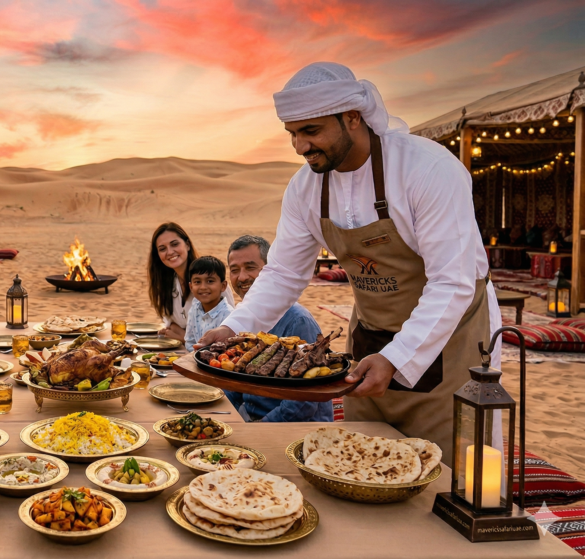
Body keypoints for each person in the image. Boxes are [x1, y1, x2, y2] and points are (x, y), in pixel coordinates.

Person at [197, 62, 501, 466]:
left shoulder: (427, 169)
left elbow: (453, 282)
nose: (300, 146)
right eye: (292, 134)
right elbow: (285, 273)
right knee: (365, 463)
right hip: (370, 341)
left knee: (447, 474)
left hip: (450, 344)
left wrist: (398, 357)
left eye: (311, 131)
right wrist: (232, 328)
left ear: (353, 118)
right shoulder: (306, 187)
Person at [222, 235, 333, 422]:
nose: (241, 277)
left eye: (250, 268)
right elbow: (236, 384)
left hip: (296, 430)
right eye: (235, 270)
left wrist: (259, 429)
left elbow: (304, 401)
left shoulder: (298, 322)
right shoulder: (240, 322)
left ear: (270, 272)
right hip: (251, 417)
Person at [148, 222, 234, 342]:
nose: (170, 252)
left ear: (187, 245)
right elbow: (169, 325)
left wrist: (183, 337)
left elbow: (229, 327)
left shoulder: (213, 283)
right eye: (162, 249)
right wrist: (181, 334)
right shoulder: (167, 282)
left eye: (175, 244)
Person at [183, 256, 235, 349]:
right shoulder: (194, 309)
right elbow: (189, 341)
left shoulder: (228, 315)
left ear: (223, 286)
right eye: (197, 282)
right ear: (191, 287)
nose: (203, 287)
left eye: (210, 281)